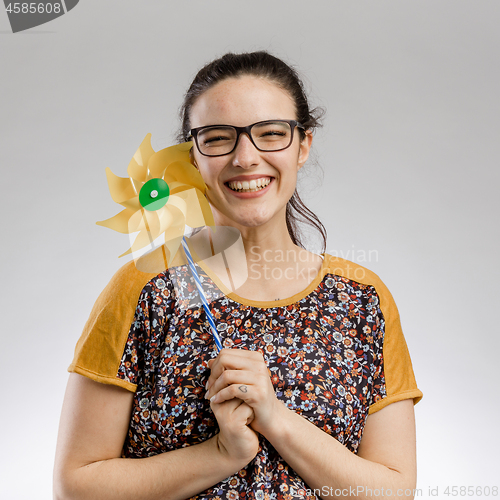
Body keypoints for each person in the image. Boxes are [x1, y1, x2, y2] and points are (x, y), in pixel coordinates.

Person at [54, 51, 423, 500]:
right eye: (218, 138)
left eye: (271, 134)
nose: (246, 158)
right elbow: (77, 486)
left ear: (303, 145)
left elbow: (393, 493)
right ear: (192, 156)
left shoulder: (360, 299)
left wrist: (275, 418)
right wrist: (220, 453)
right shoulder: (147, 288)